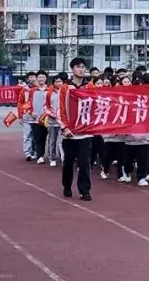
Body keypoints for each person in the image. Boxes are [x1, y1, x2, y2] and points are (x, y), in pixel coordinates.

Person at [58, 57, 93, 201]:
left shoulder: (90, 87)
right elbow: (60, 110)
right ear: (72, 69)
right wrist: (65, 127)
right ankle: (67, 185)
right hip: (70, 133)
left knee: (84, 162)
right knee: (68, 163)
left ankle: (84, 190)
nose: (82, 69)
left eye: (84, 67)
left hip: (85, 132)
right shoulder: (65, 88)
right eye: (79, 67)